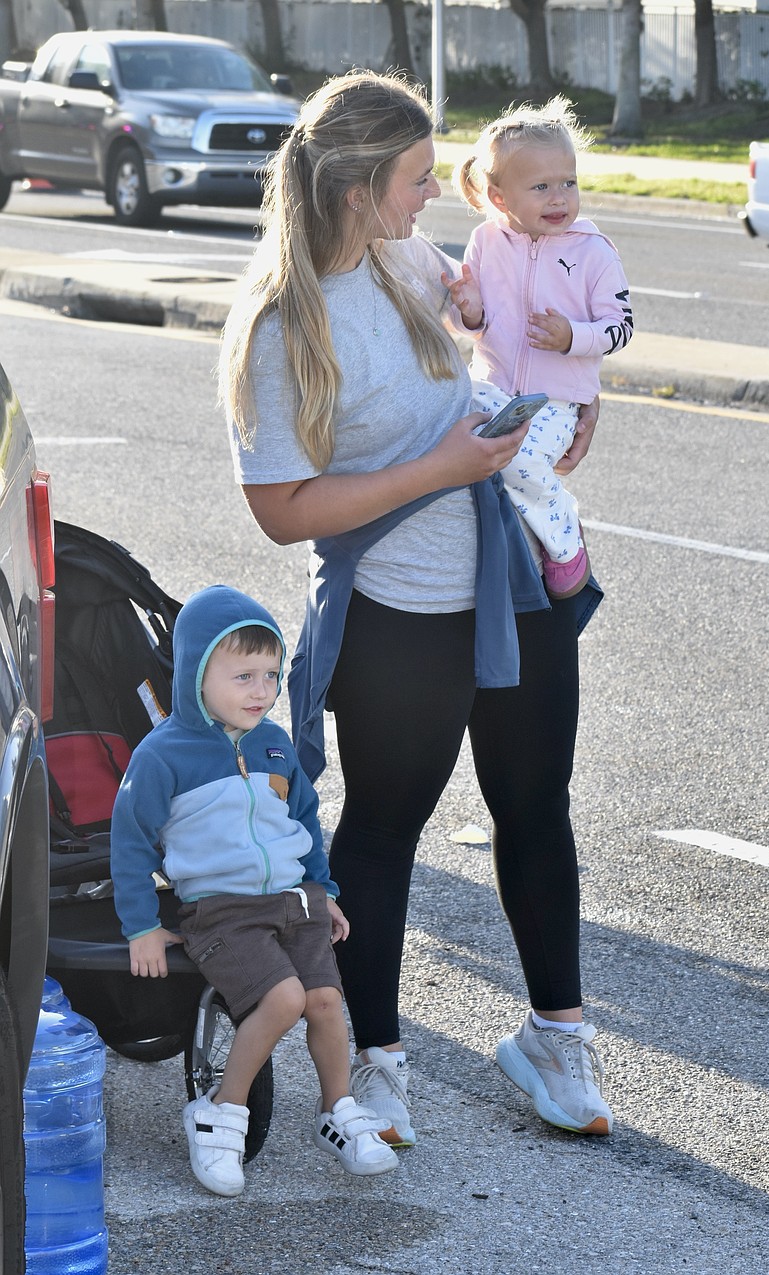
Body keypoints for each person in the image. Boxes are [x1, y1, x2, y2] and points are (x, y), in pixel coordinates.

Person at [219, 70, 613, 1146]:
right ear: (354, 187)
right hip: (396, 606)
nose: (435, 193)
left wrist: (563, 415)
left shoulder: (410, 258)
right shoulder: (280, 325)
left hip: (509, 577)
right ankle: (372, 1063)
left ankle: (554, 1037)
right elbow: (281, 511)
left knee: (537, 806)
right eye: (418, 177)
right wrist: (439, 467)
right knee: (386, 827)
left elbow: (507, 348)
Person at [111, 585, 399, 1197]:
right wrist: (141, 923)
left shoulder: (274, 743)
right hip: (222, 910)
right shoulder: (164, 754)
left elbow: (304, 819)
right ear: (195, 675)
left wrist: (324, 890)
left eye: (270, 675)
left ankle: (337, 1110)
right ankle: (220, 1109)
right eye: (242, 676)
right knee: (284, 999)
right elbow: (130, 839)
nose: (260, 691)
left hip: (295, 901)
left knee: (325, 1002)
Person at [446, 97, 633, 599]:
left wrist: (573, 336)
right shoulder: (485, 241)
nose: (560, 198)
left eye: (568, 182)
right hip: (491, 386)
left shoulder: (594, 252)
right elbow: (479, 325)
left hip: (557, 401)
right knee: (455, 441)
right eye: (542, 187)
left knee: (518, 461)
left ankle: (565, 541)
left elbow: (620, 327)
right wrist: (467, 311)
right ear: (500, 197)